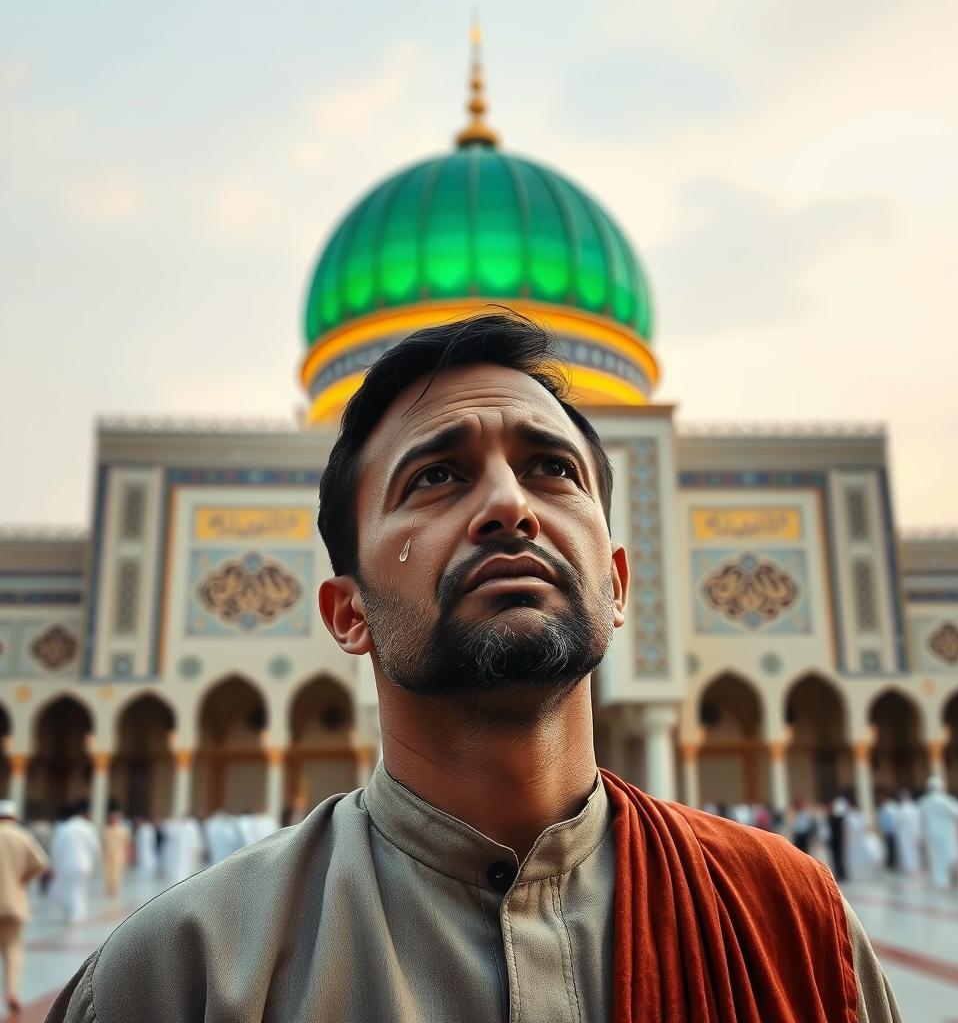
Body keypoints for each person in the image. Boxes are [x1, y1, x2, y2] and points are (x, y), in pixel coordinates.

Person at [46, 314, 901, 1021]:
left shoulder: (787, 923)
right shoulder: (185, 975)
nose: (508, 508)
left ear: (617, 581)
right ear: (349, 613)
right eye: (437, 476)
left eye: (551, 470)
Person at [0, 799, 49, 1014]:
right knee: (13, 949)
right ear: (14, 816)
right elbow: (41, 862)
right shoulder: (22, 836)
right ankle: (11, 992)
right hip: (14, 902)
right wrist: (23, 879)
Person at [50, 800, 100, 923]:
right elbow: (95, 847)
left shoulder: (63, 828)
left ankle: (74, 914)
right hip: (85, 864)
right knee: (80, 890)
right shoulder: (87, 827)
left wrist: (53, 865)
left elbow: (56, 848)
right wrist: (94, 862)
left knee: (69, 889)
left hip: (66, 865)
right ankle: (78, 914)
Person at [919, 775, 958, 890]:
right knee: (949, 856)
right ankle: (949, 879)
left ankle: (940, 881)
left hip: (931, 834)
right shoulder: (945, 800)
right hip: (946, 834)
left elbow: (920, 818)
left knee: (936, 858)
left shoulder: (924, 801)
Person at [101, 806, 132, 897]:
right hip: (108, 855)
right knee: (108, 872)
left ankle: (115, 888)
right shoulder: (106, 829)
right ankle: (109, 888)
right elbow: (103, 843)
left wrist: (128, 854)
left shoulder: (123, 829)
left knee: (117, 872)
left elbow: (127, 843)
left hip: (119, 854)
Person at [894, 790, 921, 874]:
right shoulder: (913, 809)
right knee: (912, 851)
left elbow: (897, 824)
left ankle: (911, 868)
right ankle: (913, 868)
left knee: (908, 851)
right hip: (910, 833)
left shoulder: (902, 809)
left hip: (905, 834)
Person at [827, 795, 849, 882]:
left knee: (840, 858)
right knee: (835, 858)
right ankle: (838, 874)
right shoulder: (829, 818)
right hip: (833, 841)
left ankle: (842, 874)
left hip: (838, 841)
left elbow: (843, 830)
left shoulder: (840, 819)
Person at [876, 794, 899, 871]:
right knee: (889, 849)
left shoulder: (889, 809)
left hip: (891, 832)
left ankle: (892, 863)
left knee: (892, 848)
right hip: (887, 833)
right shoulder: (883, 810)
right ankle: (890, 863)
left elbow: (892, 822)